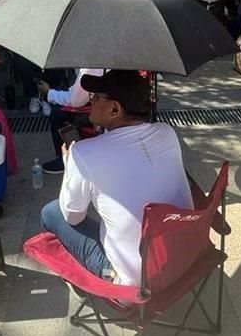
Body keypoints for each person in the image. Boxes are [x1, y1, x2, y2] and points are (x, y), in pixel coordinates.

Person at [39, 71, 192, 286]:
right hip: (182, 261)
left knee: (51, 211)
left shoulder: (83, 153)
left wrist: (69, 167)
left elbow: (72, 216)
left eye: (96, 96)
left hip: (134, 284)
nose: (90, 100)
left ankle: (92, 277)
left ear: (115, 109)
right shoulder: (167, 132)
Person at [37, 68, 105, 174]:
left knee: (58, 113)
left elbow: (76, 100)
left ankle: (66, 159)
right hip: (124, 108)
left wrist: (49, 93)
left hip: (104, 110)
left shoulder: (92, 68)